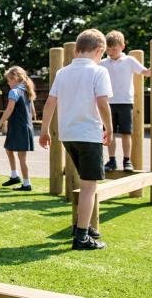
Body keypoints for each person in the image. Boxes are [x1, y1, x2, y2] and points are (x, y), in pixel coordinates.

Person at [39, 29, 112, 250]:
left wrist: (44, 130)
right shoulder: (98, 72)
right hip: (89, 134)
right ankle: (81, 237)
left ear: (77, 48)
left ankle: (83, 226)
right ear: (99, 50)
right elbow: (102, 103)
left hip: (67, 135)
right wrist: (109, 127)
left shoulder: (63, 72)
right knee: (90, 186)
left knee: (85, 181)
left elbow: (50, 102)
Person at [99, 30, 151, 172]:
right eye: (108, 50)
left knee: (126, 133)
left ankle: (127, 160)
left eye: (114, 49)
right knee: (108, 133)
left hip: (124, 102)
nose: (111, 52)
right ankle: (111, 160)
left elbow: (145, 72)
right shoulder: (102, 63)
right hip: (108, 103)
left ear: (122, 46)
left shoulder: (129, 60)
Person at [0, 66, 37, 191]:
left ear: (15, 78)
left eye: (9, 80)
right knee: (9, 149)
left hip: (19, 128)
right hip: (24, 127)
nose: (8, 83)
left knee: (22, 157)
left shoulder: (14, 92)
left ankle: (26, 184)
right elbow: (32, 111)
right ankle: (14, 176)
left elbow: (9, 109)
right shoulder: (27, 90)